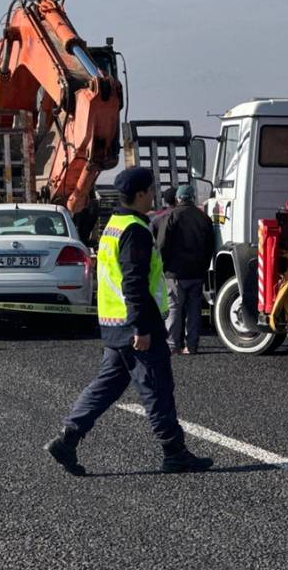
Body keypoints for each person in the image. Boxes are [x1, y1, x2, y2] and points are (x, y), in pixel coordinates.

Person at [45, 167, 213, 476]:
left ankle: (67, 440)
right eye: (150, 190)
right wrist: (142, 328)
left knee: (105, 387)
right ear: (138, 195)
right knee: (157, 389)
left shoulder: (115, 225)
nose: (153, 195)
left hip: (114, 324)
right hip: (136, 326)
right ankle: (174, 453)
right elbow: (134, 283)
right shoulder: (135, 230)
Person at [158, 184, 215, 355]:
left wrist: (163, 266)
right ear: (192, 197)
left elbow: (161, 245)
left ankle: (173, 345)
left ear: (178, 198)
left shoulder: (171, 216)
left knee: (174, 307)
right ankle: (191, 346)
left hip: (175, 272)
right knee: (194, 309)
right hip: (197, 272)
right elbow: (210, 246)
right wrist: (204, 266)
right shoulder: (204, 218)